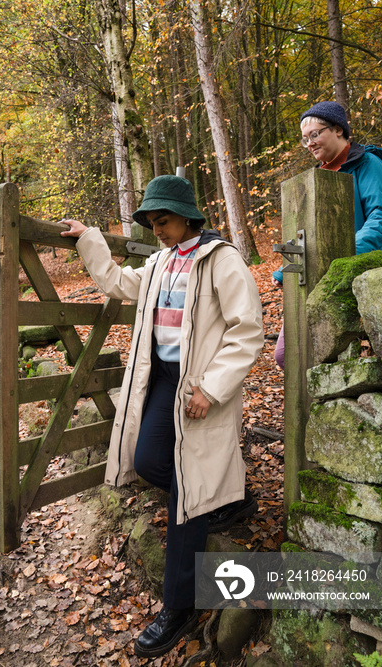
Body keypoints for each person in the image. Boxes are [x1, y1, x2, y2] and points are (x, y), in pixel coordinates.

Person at [60, 175, 264, 658]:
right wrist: (89, 237)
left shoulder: (222, 259)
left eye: (164, 221)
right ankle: (221, 501)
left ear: (188, 216)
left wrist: (212, 389)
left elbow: (248, 329)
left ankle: (180, 603)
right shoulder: (159, 263)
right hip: (161, 382)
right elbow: (117, 282)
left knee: (185, 494)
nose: (159, 231)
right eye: (153, 223)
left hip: (198, 387)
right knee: (151, 462)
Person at [273, 100, 382, 367]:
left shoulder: (367, 164)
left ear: (338, 130)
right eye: (305, 139)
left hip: (353, 274)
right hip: (313, 275)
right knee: (286, 355)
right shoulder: (314, 178)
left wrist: (338, 255)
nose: (310, 143)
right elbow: (305, 235)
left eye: (315, 134)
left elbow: (380, 217)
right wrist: (284, 270)